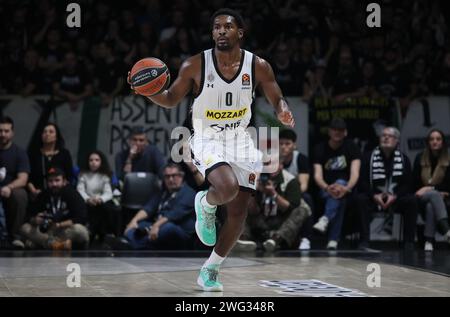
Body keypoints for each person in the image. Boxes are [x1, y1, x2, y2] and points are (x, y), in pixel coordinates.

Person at [128, 8, 294, 291]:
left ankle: (210, 269)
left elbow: (275, 94)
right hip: (206, 137)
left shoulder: (259, 66)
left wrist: (282, 109)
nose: (220, 31)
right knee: (226, 189)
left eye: (227, 27)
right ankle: (205, 203)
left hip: (240, 139)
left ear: (240, 32)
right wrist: (149, 91)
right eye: (216, 27)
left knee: (239, 212)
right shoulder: (194, 65)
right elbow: (170, 99)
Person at [356, 127, 418, 250]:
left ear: (397, 141)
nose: (385, 137)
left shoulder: (404, 159)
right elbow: (362, 182)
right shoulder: (368, 157)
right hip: (374, 197)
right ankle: (364, 241)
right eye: (383, 135)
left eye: (390, 136)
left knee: (412, 201)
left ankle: (409, 242)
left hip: (395, 198)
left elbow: (407, 184)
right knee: (360, 199)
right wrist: (374, 195)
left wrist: (394, 196)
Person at [237, 156, 310, 252]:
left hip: (281, 222)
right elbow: (252, 211)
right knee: (239, 204)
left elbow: (290, 209)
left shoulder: (291, 181)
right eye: (267, 164)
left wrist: (274, 194)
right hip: (260, 221)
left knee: (302, 209)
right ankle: (243, 239)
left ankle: (276, 240)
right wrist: (253, 192)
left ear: (281, 165)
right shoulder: (256, 179)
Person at [312, 118, 361, 250]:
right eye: (334, 130)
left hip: (348, 189)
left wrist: (346, 188)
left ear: (345, 132)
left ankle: (325, 219)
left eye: (340, 130)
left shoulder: (352, 147)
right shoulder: (320, 148)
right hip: (325, 189)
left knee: (340, 191)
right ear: (329, 132)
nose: (337, 133)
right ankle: (333, 239)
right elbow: (317, 175)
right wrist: (328, 188)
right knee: (338, 197)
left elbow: (355, 173)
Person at [123, 163, 196, 250]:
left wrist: (156, 226)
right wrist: (133, 221)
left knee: (168, 228)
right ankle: (137, 243)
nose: (170, 179)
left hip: (179, 230)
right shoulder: (163, 192)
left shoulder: (189, 193)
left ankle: (133, 245)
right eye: (167, 176)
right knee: (140, 225)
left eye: (174, 176)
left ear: (181, 176)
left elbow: (173, 214)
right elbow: (148, 208)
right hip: (159, 226)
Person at [20, 167, 89, 250]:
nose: (54, 184)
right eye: (50, 181)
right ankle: (58, 245)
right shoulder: (43, 195)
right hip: (46, 232)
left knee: (81, 231)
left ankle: (44, 244)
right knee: (25, 228)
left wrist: (60, 225)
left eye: (57, 180)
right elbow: (28, 215)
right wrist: (35, 220)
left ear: (64, 181)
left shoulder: (72, 194)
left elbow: (81, 217)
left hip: (64, 230)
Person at [413, 129, 450, 251]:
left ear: (442, 142)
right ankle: (446, 231)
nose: (435, 142)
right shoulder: (420, 157)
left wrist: (430, 188)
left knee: (431, 204)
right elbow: (415, 184)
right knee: (433, 196)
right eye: (432, 139)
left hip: (443, 199)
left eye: (438, 139)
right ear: (428, 142)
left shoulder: (448, 159)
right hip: (421, 198)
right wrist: (432, 190)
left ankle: (428, 241)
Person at [278, 129, 313, 250]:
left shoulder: (300, 159)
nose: (283, 147)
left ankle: (306, 238)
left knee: (307, 199)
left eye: (287, 144)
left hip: (293, 195)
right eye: (281, 143)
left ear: (294, 145)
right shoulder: (273, 159)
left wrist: (291, 198)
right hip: (275, 194)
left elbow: (304, 185)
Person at [77, 151, 121, 242]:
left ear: (101, 162)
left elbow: (108, 193)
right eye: (91, 160)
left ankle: (105, 235)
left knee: (107, 208)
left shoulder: (105, 175)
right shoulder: (82, 174)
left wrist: (100, 199)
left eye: (97, 160)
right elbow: (80, 190)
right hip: (87, 200)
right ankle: (90, 233)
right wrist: (88, 199)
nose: (93, 162)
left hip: (100, 201)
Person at [0, 116, 30, 249]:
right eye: (0, 131)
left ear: (12, 133)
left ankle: (16, 236)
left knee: (20, 195)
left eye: (6, 131)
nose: (3, 134)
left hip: (10, 189)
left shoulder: (19, 152)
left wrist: (9, 187)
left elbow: (23, 179)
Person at [28, 123, 74, 197]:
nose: (47, 134)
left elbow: (69, 176)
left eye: (51, 132)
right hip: (38, 192)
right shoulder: (34, 154)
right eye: (44, 132)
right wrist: (34, 191)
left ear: (56, 136)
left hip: (60, 192)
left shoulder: (64, 153)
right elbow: (28, 178)